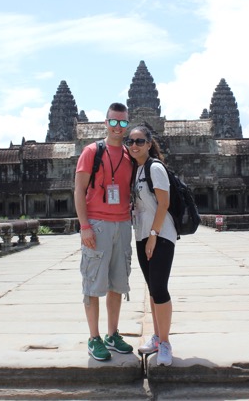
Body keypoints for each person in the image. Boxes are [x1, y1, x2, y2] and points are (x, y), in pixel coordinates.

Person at [74, 102, 134, 361]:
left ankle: (112, 334)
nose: (117, 127)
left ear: (126, 124)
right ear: (105, 122)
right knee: (93, 283)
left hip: (123, 224)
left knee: (118, 285)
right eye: (114, 121)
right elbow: (78, 190)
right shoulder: (91, 151)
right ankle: (94, 337)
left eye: (122, 123)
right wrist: (84, 226)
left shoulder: (131, 155)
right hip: (97, 224)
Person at [125, 125, 176, 366]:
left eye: (139, 141)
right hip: (142, 235)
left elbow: (164, 203)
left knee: (160, 288)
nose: (134, 145)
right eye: (130, 141)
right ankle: (157, 337)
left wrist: (154, 234)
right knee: (152, 290)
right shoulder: (136, 170)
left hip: (160, 235)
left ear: (149, 143)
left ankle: (165, 343)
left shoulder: (155, 167)